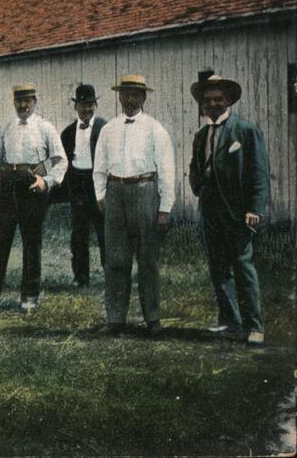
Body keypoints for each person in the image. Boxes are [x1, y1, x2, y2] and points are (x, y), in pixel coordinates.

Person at [188, 75, 269, 345]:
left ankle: (254, 325)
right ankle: (229, 321)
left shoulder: (245, 131)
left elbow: (259, 173)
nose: (213, 104)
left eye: (218, 99)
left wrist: (254, 208)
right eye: (208, 100)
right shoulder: (201, 134)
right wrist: (198, 186)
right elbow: (195, 167)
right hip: (209, 211)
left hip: (237, 211)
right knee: (218, 268)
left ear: (229, 100)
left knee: (243, 266)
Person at [93, 75, 175, 333]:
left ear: (144, 98)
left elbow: (167, 169)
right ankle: (115, 319)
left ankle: (153, 319)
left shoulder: (155, 128)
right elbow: (99, 167)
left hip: (145, 191)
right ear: (119, 96)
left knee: (147, 259)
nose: (129, 100)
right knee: (116, 258)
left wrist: (165, 208)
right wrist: (100, 195)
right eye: (125, 94)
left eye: (135, 95)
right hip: (116, 192)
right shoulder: (109, 129)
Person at [0, 83, 67, 312]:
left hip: (32, 187)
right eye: (19, 101)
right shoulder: (6, 128)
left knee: (31, 243)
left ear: (35, 102)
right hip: (8, 188)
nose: (23, 105)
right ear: (14, 102)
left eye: (27, 100)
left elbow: (59, 160)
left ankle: (30, 297)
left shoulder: (45, 128)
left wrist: (47, 181)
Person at [60, 84, 107, 289]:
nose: (87, 110)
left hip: (98, 183)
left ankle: (111, 273)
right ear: (75, 106)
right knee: (79, 233)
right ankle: (81, 277)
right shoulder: (68, 133)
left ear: (95, 105)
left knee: (104, 230)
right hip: (77, 183)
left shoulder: (105, 128)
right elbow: (59, 159)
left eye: (90, 105)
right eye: (83, 105)